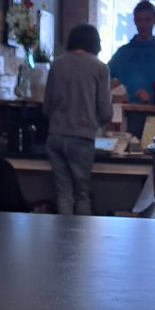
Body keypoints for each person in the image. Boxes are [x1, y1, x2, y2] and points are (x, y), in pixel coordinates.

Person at [42, 22, 112, 216]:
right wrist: (96, 124)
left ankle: (64, 235)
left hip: (55, 137)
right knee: (81, 194)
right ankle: (82, 236)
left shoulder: (56, 65)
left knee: (64, 194)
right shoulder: (100, 68)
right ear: (95, 43)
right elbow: (106, 112)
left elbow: (46, 107)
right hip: (82, 139)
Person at [108, 0, 155, 104]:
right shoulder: (122, 54)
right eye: (139, 20)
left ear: (154, 21)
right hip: (124, 110)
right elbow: (105, 77)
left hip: (152, 112)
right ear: (135, 21)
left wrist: (151, 96)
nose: (143, 24)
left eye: (147, 20)